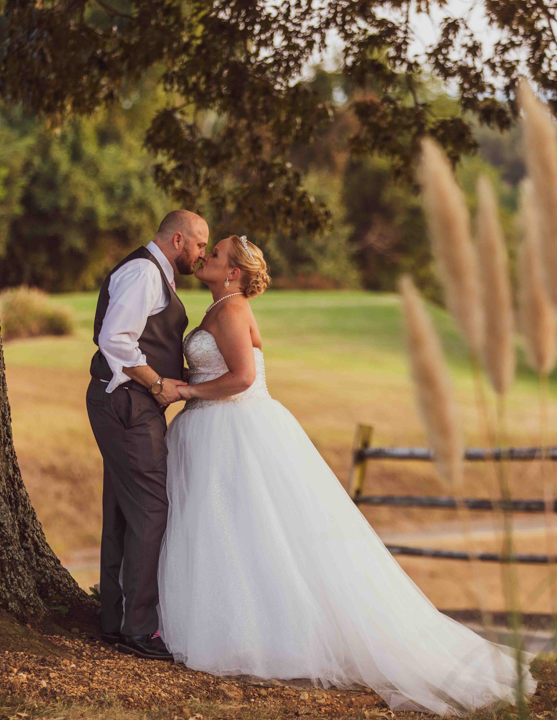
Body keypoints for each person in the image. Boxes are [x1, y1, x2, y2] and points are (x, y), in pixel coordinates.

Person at [157, 234, 536, 714]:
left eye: (216, 253)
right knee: (233, 532)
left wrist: (185, 394)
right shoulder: (220, 308)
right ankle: (237, 625)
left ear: (232, 272)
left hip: (235, 429)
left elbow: (243, 378)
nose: (206, 256)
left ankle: (256, 636)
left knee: (249, 529)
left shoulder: (231, 310)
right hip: (212, 430)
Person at [85, 209, 207, 660]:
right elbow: (115, 339)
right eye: (199, 245)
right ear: (178, 240)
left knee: (122, 507)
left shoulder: (156, 274)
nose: (202, 254)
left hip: (128, 402)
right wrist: (157, 383)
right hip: (129, 403)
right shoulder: (143, 272)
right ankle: (138, 629)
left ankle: (116, 622)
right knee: (152, 509)